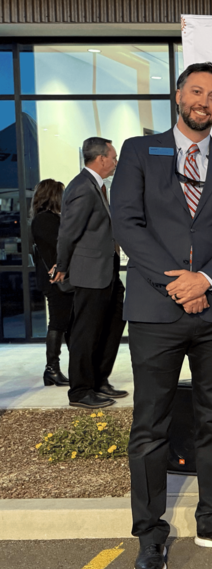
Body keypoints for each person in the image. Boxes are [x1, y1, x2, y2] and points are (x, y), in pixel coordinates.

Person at [111, 61, 212, 569]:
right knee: (150, 425)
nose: (204, 102)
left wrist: (206, 281)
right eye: (196, 91)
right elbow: (127, 224)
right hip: (156, 311)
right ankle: (149, 533)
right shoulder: (138, 151)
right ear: (178, 95)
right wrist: (178, 283)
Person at [52, 137, 127, 410]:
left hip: (107, 272)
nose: (116, 162)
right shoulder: (83, 187)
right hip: (90, 274)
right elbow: (68, 232)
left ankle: (98, 381)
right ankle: (80, 391)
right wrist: (62, 266)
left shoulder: (97, 186)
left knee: (113, 324)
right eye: (113, 157)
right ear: (101, 158)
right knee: (86, 333)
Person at [31, 179, 74, 387]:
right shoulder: (45, 219)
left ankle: (62, 368)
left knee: (65, 322)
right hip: (55, 280)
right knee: (58, 322)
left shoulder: (48, 218)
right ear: (53, 196)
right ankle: (52, 369)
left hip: (56, 279)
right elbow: (60, 245)